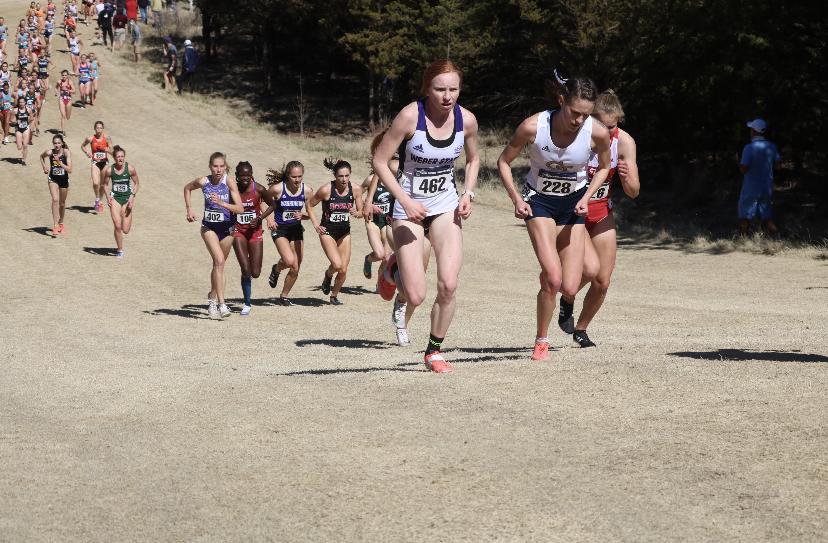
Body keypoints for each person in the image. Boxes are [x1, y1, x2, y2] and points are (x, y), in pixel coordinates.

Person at [372, 59, 480, 373]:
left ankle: (434, 351)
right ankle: (391, 271)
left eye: (453, 89)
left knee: (448, 284)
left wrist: (468, 193)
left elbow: (473, 160)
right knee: (416, 294)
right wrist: (405, 199)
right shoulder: (410, 116)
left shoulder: (467, 120)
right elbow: (380, 160)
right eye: (439, 89)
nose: (447, 96)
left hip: (445, 207)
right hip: (408, 210)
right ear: (427, 88)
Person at [497, 73, 610, 362]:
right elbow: (503, 162)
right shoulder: (533, 127)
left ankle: (561, 300)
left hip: (572, 206)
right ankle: (541, 340)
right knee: (553, 277)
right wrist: (516, 199)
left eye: (585, 115)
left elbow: (604, 168)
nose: (578, 121)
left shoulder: (596, 132)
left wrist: (586, 197)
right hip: (539, 203)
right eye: (574, 113)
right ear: (562, 101)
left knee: (570, 287)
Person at [558, 90, 640, 348]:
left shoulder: (624, 142)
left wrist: (627, 177)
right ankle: (566, 297)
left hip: (602, 211)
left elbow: (634, 192)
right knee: (587, 269)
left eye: (613, 126)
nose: (608, 132)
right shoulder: (574, 138)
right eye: (602, 125)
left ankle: (581, 329)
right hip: (574, 212)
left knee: (602, 279)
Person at [183, 152, 244, 319]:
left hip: (228, 229)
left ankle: (211, 298)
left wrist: (222, 203)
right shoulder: (204, 182)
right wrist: (189, 208)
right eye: (215, 166)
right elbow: (187, 188)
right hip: (208, 227)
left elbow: (240, 209)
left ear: (225, 167)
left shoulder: (229, 182)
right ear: (210, 167)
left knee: (219, 265)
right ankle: (222, 304)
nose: (218, 169)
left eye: (221, 166)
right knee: (219, 261)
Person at [261, 161, 318, 306]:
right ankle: (276, 268)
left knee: (295, 267)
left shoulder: (307, 191)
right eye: (294, 177)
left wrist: (303, 215)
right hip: (280, 229)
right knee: (288, 261)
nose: (297, 180)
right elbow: (261, 200)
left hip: (296, 230)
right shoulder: (277, 189)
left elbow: (310, 213)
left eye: (300, 176)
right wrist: (269, 219)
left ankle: (284, 296)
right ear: (287, 175)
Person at [311, 158, 363, 305]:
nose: (344, 179)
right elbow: (309, 205)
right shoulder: (326, 190)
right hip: (327, 231)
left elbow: (361, 212)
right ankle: (328, 275)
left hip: (344, 232)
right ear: (335, 176)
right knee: (337, 264)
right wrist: (316, 224)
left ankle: (334, 296)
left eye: (347, 176)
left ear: (350, 175)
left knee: (343, 270)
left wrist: (357, 213)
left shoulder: (356, 189)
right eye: (341, 176)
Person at [231, 161, 272, 316]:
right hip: (238, 232)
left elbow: (273, 205)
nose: (245, 178)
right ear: (237, 176)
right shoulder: (232, 191)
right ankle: (247, 303)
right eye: (242, 175)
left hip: (255, 232)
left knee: (255, 272)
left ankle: (247, 277)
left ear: (252, 175)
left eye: (248, 175)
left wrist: (260, 217)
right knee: (246, 269)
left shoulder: (259, 189)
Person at [738, 118, 780, 235]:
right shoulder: (772, 146)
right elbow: (777, 165)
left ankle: (743, 238)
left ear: (754, 131)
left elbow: (744, 168)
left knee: (745, 212)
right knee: (766, 214)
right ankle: (776, 236)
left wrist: (740, 166)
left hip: (751, 186)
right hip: (767, 185)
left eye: (751, 129)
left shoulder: (749, 148)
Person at [101, 145, 139, 258]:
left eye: (122, 156)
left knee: (125, 230)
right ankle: (120, 250)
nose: (120, 159)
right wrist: (108, 197)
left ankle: (125, 218)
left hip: (127, 199)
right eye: (118, 157)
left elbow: (137, 183)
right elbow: (105, 185)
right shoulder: (109, 170)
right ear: (114, 158)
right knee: (117, 225)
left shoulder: (130, 169)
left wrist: (132, 196)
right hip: (116, 199)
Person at [40, 133, 72, 235]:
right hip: (53, 178)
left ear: (62, 143)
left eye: (58, 143)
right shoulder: (50, 152)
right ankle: (55, 225)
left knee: (62, 203)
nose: (56, 145)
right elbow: (41, 156)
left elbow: (70, 170)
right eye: (55, 143)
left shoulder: (66, 153)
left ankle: (61, 222)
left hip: (64, 179)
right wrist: (44, 166)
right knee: (55, 199)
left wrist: (60, 163)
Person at [80, 120, 112, 213]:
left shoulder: (107, 138)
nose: (99, 130)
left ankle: (100, 202)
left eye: (101, 128)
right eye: (97, 128)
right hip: (95, 163)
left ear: (103, 128)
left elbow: (112, 150)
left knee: (102, 184)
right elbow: (82, 146)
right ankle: (97, 199)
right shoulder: (90, 139)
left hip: (104, 163)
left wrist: (105, 149)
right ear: (94, 128)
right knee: (95, 183)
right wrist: (87, 152)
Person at [13, 96, 34, 164]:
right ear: (18, 103)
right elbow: (11, 121)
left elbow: (31, 118)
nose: (21, 103)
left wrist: (28, 120)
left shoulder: (28, 110)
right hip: (18, 129)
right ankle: (21, 144)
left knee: (25, 145)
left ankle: (24, 160)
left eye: (22, 102)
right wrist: (16, 122)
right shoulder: (15, 111)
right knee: (19, 147)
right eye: (20, 102)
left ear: (25, 103)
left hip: (26, 128)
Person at [53, 69, 74, 134]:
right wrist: (56, 92)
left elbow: (74, 90)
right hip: (61, 99)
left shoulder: (70, 82)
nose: (64, 76)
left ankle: (67, 118)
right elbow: (56, 87)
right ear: (61, 75)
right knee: (63, 115)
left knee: (68, 117)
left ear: (67, 76)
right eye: (63, 75)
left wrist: (69, 91)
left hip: (68, 99)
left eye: (65, 75)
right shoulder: (59, 81)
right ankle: (63, 131)